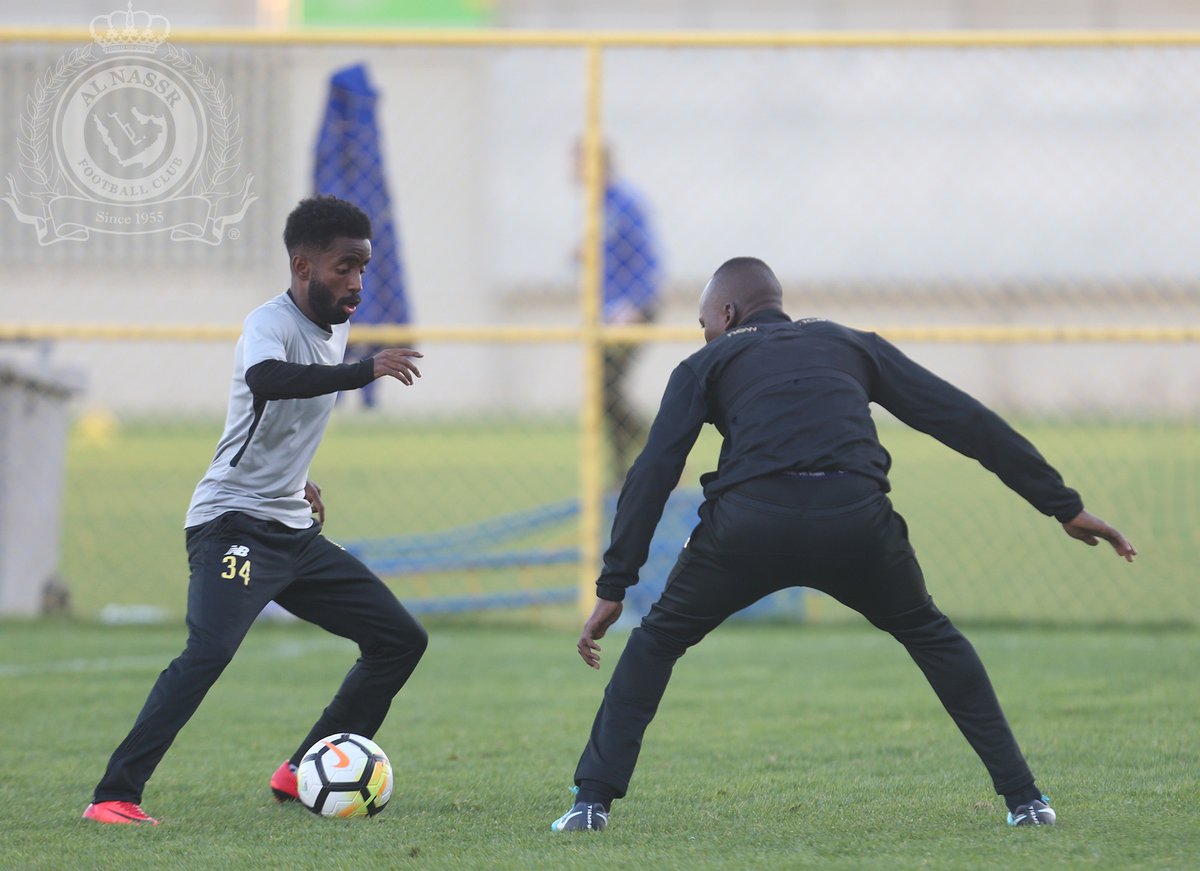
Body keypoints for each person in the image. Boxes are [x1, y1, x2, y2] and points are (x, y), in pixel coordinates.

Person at [551, 256, 1136, 832]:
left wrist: (614, 585)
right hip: (854, 521)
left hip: (751, 524)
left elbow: (652, 471)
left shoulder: (707, 361)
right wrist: (1061, 504)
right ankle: (1026, 800)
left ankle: (590, 805)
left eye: (704, 321)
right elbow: (960, 418)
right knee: (932, 636)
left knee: (655, 643)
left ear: (726, 312)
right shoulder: (853, 344)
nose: (702, 332)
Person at [83, 195, 429, 826]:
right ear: (302, 266)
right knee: (208, 654)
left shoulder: (338, 321)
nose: (355, 283)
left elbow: (281, 420)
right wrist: (363, 372)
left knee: (399, 639)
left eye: (363, 268)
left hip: (291, 530)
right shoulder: (266, 324)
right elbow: (268, 379)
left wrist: (299, 477)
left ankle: (300, 771)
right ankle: (114, 795)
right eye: (343, 268)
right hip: (232, 524)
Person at [575, 142, 662, 481]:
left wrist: (633, 306)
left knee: (607, 389)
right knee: (605, 392)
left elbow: (647, 260)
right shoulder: (598, 206)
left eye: (579, 161)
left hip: (631, 312)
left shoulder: (625, 203)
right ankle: (625, 473)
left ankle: (659, 456)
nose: (574, 169)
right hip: (608, 314)